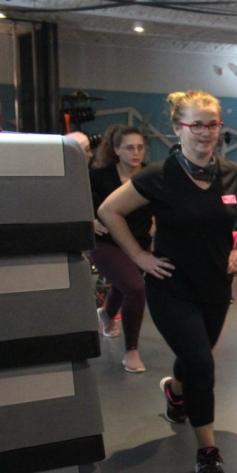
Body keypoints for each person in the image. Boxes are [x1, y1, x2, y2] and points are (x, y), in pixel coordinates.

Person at [99, 90, 237, 473]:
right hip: (170, 287)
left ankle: (175, 393)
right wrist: (139, 256)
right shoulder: (159, 175)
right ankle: (207, 453)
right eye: (196, 125)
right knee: (201, 363)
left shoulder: (231, 175)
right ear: (178, 128)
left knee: (194, 358)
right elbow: (109, 210)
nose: (206, 133)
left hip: (215, 287)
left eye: (212, 125)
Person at [90, 124, 152, 372]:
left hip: (139, 243)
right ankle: (131, 351)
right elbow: (78, 201)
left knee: (122, 284)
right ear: (116, 150)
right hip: (106, 243)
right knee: (135, 288)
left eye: (140, 147)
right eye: (129, 148)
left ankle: (106, 315)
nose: (136, 153)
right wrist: (89, 219)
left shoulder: (151, 175)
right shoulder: (98, 176)